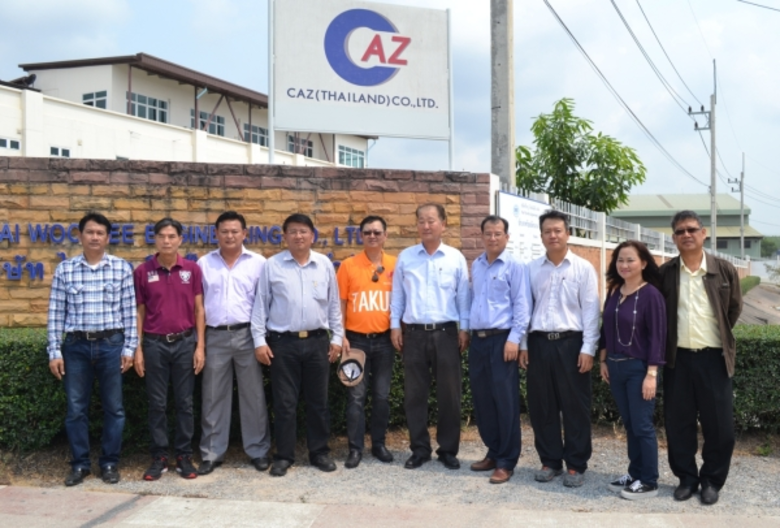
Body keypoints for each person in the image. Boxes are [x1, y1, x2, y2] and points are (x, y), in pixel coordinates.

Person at [46, 212, 138, 486]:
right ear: (80, 236)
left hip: (111, 346)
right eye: (89, 232)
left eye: (100, 233)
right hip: (76, 347)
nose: (95, 237)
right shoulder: (65, 269)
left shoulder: (121, 268)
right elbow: (56, 313)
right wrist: (54, 351)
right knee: (76, 409)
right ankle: (80, 465)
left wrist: (130, 348)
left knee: (114, 408)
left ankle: (109, 463)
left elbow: (129, 312)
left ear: (107, 238)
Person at [251, 213, 344, 477]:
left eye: (303, 231)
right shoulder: (272, 265)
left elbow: (333, 305)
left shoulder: (324, 264)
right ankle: (284, 456)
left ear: (312, 235)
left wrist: (337, 337)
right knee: (284, 403)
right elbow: (261, 305)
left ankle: (319, 452)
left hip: (317, 342)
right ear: (285, 236)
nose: (298, 236)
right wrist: (259, 341)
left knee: (318, 402)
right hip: (283, 344)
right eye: (292, 231)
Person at [660, 210, 742, 505]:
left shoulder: (724, 270)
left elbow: (733, 309)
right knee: (678, 424)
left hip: (714, 359)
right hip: (677, 360)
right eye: (680, 231)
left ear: (703, 233)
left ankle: (711, 481)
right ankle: (686, 479)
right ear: (674, 238)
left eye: (692, 229)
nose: (686, 235)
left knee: (720, 427)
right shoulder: (666, 273)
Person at [519, 210, 600, 488]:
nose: (552, 235)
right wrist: (523, 344)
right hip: (539, 343)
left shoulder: (583, 268)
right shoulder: (531, 269)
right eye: (547, 231)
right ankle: (550, 460)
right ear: (541, 235)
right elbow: (525, 309)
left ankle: (576, 464)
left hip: (571, 344)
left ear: (568, 233)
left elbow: (591, 310)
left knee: (575, 406)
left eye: (557, 230)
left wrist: (588, 348)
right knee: (542, 405)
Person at [390, 203, 471, 471]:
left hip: (446, 333)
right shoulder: (406, 257)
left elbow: (463, 297)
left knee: (450, 395)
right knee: (415, 395)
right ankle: (420, 449)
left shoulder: (455, 258)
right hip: (413, 334)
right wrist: (395, 326)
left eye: (432, 220)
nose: (426, 225)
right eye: (421, 221)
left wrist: (464, 328)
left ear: (443, 224)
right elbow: (398, 295)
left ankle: (448, 450)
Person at [197, 211, 271, 475]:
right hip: (215, 335)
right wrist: (201, 344)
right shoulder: (204, 264)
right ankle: (211, 453)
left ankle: (258, 450)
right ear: (216, 234)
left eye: (235, 231)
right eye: (224, 231)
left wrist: (261, 338)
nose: (229, 236)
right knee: (213, 395)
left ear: (244, 233)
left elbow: (264, 303)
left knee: (253, 395)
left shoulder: (259, 263)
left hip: (247, 335)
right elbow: (198, 307)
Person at [134, 217, 206, 481]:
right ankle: (160, 456)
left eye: (172, 236)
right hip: (154, 344)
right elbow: (139, 312)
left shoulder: (192, 270)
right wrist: (138, 348)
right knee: (157, 403)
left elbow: (199, 310)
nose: (167, 241)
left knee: (185, 402)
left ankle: (184, 456)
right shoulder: (143, 271)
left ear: (180, 240)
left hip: (185, 343)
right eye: (162, 236)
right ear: (155, 239)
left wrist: (200, 346)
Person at [599, 240, 666, 500]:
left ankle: (649, 480)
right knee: (629, 424)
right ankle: (634, 473)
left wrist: (652, 374)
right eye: (620, 260)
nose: (624, 265)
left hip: (639, 369)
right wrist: (603, 360)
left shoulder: (651, 295)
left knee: (642, 425)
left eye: (630, 260)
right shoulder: (615, 291)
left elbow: (658, 337)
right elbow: (606, 329)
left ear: (644, 263)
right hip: (615, 366)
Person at [468, 215, 531, 484]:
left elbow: (522, 305)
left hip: (503, 340)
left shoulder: (515, 266)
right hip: (478, 340)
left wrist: (514, 339)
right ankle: (493, 452)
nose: (492, 238)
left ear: (507, 236)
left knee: (505, 402)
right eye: (488, 233)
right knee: (483, 400)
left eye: (498, 233)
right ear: (481, 236)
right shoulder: (477, 264)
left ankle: (506, 461)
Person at [336, 215, 397, 469]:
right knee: (356, 397)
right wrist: (341, 335)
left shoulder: (395, 264)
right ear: (361, 236)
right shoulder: (348, 266)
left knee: (382, 396)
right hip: (355, 342)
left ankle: (379, 444)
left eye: (377, 232)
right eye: (368, 232)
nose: (373, 236)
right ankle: (355, 448)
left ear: (385, 236)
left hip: (384, 341)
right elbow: (340, 303)